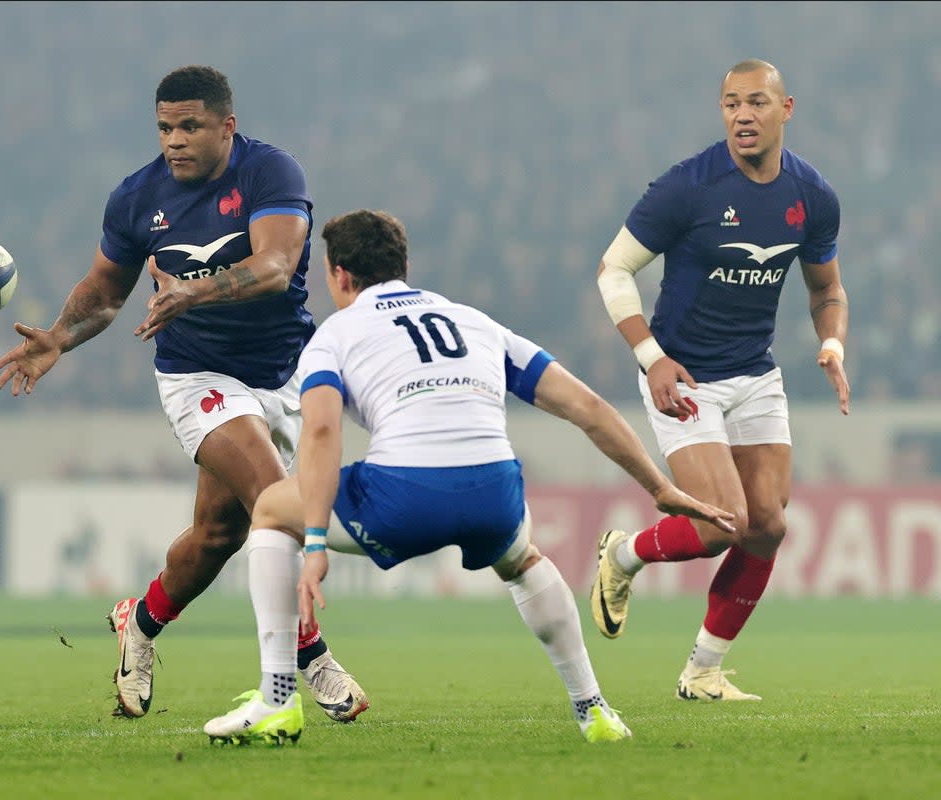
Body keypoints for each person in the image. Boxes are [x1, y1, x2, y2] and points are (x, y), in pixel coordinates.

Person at [202, 209, 737, 746]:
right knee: (524, 559)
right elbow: (589, 408)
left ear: (338, 275)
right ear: (403, 265)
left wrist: (314, 539)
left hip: (403, 496)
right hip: (494, 494)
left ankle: (276, 699)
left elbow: (320, 433)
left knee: (271, 508)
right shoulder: (475, 322)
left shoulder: (335, 334)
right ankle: (593, 709)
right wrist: (659, 487)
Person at [0, 65, 368, 722]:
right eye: (165, 127)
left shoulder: (271, 174)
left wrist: (194, 289)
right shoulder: (137, 197)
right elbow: (105, 293)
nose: (175, 140)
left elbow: (277, 267)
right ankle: (309, 658)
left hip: (283, 371)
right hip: (198, 376)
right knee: (273, 499)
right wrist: (59, 336)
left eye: (190, 126)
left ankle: (137, 622)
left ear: (227, 126)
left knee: (219, 533)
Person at [591, 58, 850, 701]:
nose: (742, 115)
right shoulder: (688, 187)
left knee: (766, 525)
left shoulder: (811, 197)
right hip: (683, 374)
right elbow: (613, 271)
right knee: (719, 525)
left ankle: (703, 670)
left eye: (756, 103)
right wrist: (651, 357)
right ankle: (623, 556)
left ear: (785, 110)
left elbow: (828, 289)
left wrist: (833, 342)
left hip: (755, 372)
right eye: (731, 103)